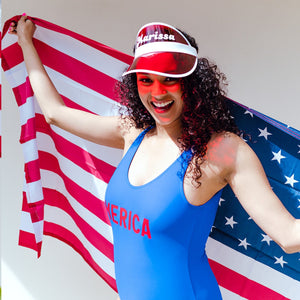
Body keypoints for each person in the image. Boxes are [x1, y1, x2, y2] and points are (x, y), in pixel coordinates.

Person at [10, 15, 300, 300]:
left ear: (192, 83)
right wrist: (26, 43)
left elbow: (288, 236)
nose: (157, 92)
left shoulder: (222, 150)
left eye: (169, 80)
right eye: (146, 80)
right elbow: (55, 114)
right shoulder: (131, 132)